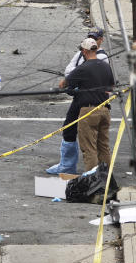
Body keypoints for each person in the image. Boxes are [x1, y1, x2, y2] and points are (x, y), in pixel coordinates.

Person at [47, 29, 112, 174]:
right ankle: (106, 177)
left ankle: (92, 181)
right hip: (102, 107)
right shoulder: (105, 66)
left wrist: (73, 85)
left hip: (87, 107)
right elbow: (110, 85)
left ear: (84, 51)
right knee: (102, 145)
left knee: (89, 147)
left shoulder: (86, 66)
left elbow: (65, 82)